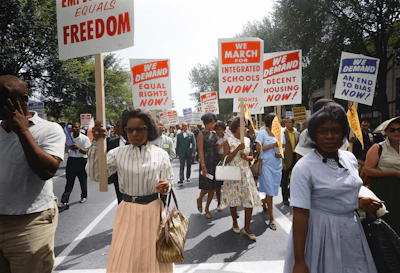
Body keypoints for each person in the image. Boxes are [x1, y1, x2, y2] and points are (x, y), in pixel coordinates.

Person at [283, 103, 379, 273]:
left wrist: (358, 202)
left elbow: (344, 191)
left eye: (335, 131)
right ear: (314, 135)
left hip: (351, 230)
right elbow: (300, 215)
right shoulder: (304, 167)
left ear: (342, 133)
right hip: (321, 234)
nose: (329, 136)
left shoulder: (349, 158)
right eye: (323, 131)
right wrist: (299, 260)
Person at [87, 106, 174, 273]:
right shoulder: (117, 153)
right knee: (125, 258)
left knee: (153, 259)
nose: (135, 134)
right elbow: (95, 175)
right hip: (127, 210)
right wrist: (96, 144)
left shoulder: (160, 154)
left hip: (154, 212)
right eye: (130, 129)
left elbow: (169, 181)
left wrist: (165, 186)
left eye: (140, 129)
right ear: (125, 130)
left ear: (149, 130)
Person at [0, 75, 65, 273]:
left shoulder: (49, 130)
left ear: (23, 101)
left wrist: (23, 132)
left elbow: (47, 171)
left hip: (30, 223)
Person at [222, 117, 262, 240]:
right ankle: (235, 222)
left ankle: (247, 227)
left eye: (244, 126)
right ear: (235, 127)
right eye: (241, 126)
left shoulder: (247, 140)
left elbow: (252, 158)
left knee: (249, 200)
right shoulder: (228, 141)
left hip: (245, 173)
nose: (244, 128)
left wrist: (247, 157)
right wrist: (237, 150)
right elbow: (226, 159)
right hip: (233, 173)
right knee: (233, 199)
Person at [364, 116, 400, 235]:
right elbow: (368, 170)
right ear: (385, 132)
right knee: (387, 221)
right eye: (392, 130)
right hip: (384, 188)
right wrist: (393, 173)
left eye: (399, 130)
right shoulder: (378, 148)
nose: (396, 132)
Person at [256, 113, 285, 230]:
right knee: (269, 190)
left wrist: (280, 152)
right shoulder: (262, 133)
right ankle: (272, 218)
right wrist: (272, 145)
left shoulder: (280, 133)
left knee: (273, 188)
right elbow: (258, 149)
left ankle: (264, 203)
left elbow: (283, 146)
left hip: (276, 165)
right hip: (266, 164)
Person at [59, 121, 91, 211]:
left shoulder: (84, 138)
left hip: (82, 161)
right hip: (72, 161)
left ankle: (84, 196)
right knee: (69, 182)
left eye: (77, 127)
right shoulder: (69, 138)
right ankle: (64, 201)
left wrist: (78, 148)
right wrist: (68, 147)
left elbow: (86, 151)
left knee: (82, 180)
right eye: (73, 127)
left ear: (80, 128)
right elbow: (65, 150)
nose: (75, 129)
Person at [196, 113, 221, 219]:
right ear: (206, 123)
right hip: (206, 161)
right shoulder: (201, 134)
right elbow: (200, 151)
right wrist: (203, 166)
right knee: (206, 186)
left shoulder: (214, 134)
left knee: (214, 187)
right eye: (211, 123)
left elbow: (216, 148)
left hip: (214, 161)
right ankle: (200, 198)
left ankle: (207, 208)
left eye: (214, 123)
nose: (213, 125)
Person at [281, 118, 300, 205]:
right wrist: (282, 162)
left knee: (294, 179)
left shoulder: (297, 134)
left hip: (295, 158)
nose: (287, 124)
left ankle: (292, 196)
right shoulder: (282, 134)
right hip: (286, 159)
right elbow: (280, 148)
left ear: (293, 124)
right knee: (284, 180)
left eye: (289, 123)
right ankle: (285, 198)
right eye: (286, 122)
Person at [106, 120, 125, 204]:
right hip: (117, 176)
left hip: (133, 177)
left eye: (117, 126)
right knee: (121, 201)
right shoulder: (112, 142)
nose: (115, 128)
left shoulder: (134, 142)